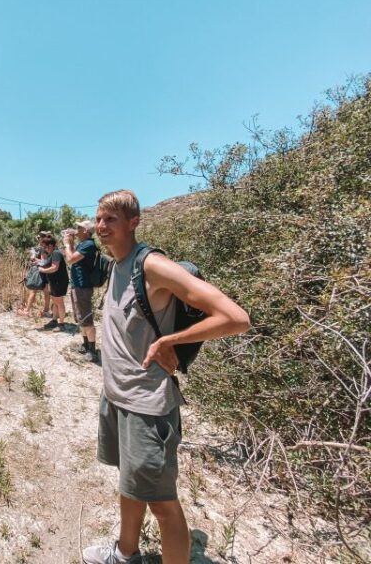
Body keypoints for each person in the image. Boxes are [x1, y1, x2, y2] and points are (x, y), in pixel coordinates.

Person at [83, 190, 250, 564]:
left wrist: (171, 341)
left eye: (110, 219)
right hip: (117, 397)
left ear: (134, 222)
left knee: (162, 504)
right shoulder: (115, 266)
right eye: (98, 218)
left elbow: (235, 317)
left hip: (148, 406)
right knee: (130, 481)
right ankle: (125, 553)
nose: (101, 226)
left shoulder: (151, 265)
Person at [62, 220, 99, 362]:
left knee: (86, 318)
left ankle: (92, 350)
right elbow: (72, 257)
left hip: (83, 286)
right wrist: (70, 244)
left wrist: (66, 244)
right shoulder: (83, 244)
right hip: (78, 285)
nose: (76, 229)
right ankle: (85, 344)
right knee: (80, 317)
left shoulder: (89, 245)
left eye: (79, 227)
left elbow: (70, 259)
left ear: (86, 231)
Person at [37, 236, 69, 331]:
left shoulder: (56, 253)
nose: (44, 248)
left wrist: (43, 270)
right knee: (55, 302)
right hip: (54, 281)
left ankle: (61, 324)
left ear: (50, 245)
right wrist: (38, 262)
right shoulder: (52, 254)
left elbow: (54, 267)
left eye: (45, 246)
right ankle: (54, 320)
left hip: (59, 281)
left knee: (59, 302)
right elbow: (47, 262)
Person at [18, 231, 52, 317]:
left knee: (34, 290)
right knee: (45, 291)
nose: (39, 239)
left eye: (39, 238)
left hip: (40, 272)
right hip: (45, 271)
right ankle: (46, 311)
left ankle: (27, 310)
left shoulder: (43, 248)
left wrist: (35, 260)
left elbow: (43, 261)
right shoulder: (47, 247)